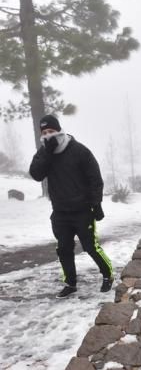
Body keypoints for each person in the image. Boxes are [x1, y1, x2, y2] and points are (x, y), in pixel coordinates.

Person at [29, 114, 113, 298]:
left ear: (59, 130)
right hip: (60, 212)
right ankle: (70, 283)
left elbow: (95, 179)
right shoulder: (44, 152)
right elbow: (36, 174)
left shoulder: (79, 150)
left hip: (82, 210)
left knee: (91, 247)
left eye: (51, 131)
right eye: (44, 132)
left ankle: (107, 275)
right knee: (64, 249)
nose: (48, 135)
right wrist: (47, 154)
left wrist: (96, 204)